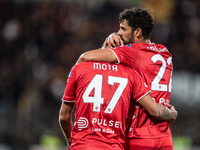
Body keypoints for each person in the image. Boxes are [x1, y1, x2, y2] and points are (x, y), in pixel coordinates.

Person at [76, 7, 174, 150]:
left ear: (137, 32)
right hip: (164, 137)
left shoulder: (132, 52)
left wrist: (106, 44)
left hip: (138, 136)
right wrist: (171, 113)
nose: (119, 33)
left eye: (123, 29)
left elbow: (85, 58)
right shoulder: (165, 53)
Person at [59, 62, 177, 150]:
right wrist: (172, 113)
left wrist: (70, 140)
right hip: (114, 146)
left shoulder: (80, 68)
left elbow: (64, 117)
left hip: (82, 145)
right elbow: (154, 110)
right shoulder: (131, 74)